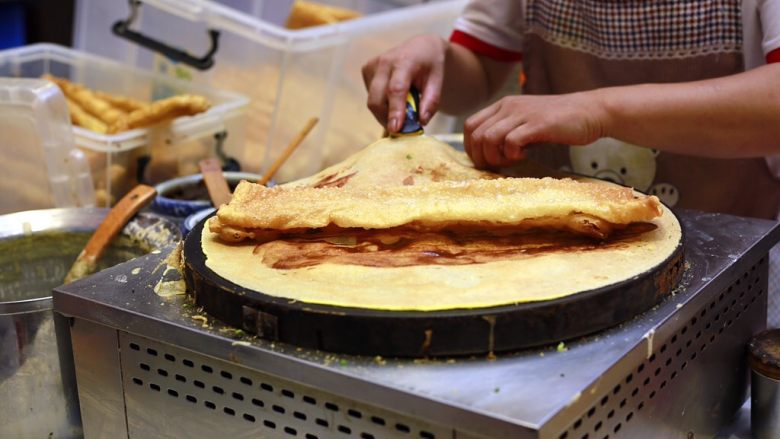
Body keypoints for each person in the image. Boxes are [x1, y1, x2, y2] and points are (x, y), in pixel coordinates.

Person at [361, 0, 780, 319]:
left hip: (723, 260)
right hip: (550, 253)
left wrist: (599, 112)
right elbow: (481, 69)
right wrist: (438, 59)